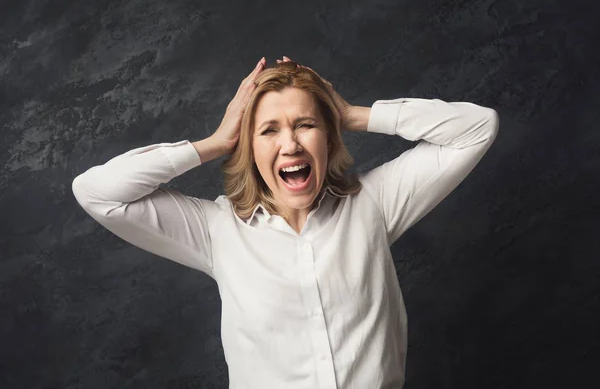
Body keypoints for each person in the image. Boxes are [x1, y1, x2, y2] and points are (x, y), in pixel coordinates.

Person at [72, 55, 499, 388]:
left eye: (306, 124)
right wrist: (214, 142)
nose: (290, 143)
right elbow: (97, 192)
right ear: (249, 147)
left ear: (328, 138)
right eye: (269, 130)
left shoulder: (373, 204)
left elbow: (478, 127)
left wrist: (352, 115)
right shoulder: (217, 230)